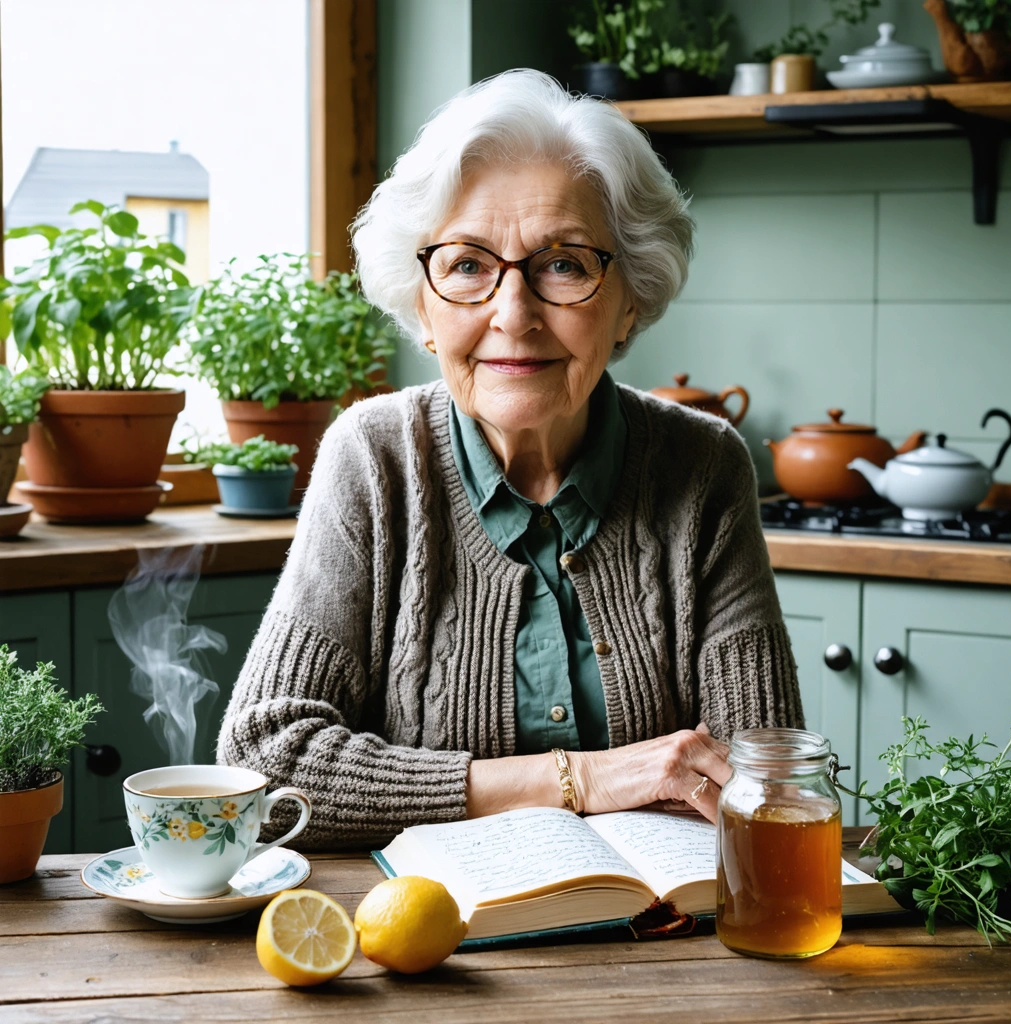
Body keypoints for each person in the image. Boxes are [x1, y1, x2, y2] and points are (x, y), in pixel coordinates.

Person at [217, 70, 802, 848]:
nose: (513, 313)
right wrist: (580, 780)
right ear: (422, 306)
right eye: (467, 265)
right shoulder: (373, 457)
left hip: (656, 919)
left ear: (629, 300)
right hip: (425, 921)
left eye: (564, 264)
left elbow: (765, 779)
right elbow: (262, 766)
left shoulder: (703, 466)